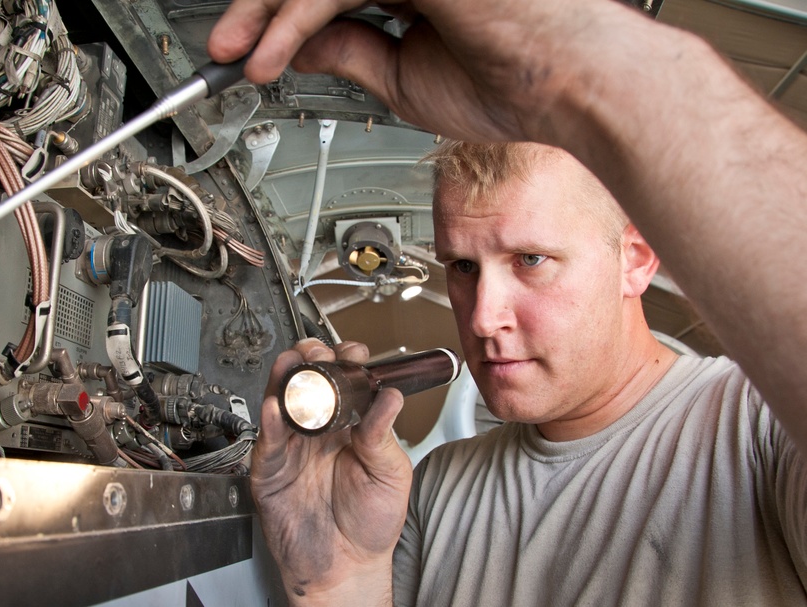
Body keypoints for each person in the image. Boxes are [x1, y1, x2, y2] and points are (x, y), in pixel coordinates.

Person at [205, 0, 807, 604]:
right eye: (463, 266)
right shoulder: (437, 491)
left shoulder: (758, 432)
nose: (482, 317)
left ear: (638, 260)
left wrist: (608, 74)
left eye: (531, 260)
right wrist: (339, 577)